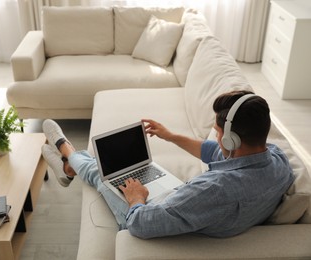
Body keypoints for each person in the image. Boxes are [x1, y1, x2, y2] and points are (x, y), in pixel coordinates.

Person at [41, 90, 294, 239]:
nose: (216, 137)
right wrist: (170, 136)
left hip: (155, 216)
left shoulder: (214, 189)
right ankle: (70, 168)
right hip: (198, 208)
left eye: (217, 132)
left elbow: (141, 224)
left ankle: (66, 150)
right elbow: (213, 152)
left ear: (232, 139)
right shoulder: (277, 160)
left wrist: (136, 198)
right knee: (117, 170)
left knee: (101, 174)